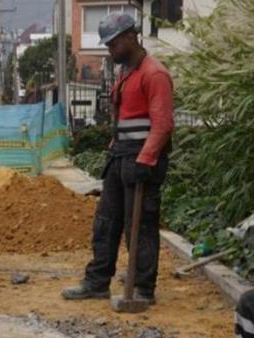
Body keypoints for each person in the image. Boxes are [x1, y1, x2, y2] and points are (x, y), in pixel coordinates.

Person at [62, 12, 174, 305]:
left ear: (129, 37)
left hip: (141, 161)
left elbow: (162, 125)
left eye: (112, 44)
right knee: (107, 221)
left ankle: (142, 288)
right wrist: (114, 145)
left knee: (142, 225)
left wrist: (145, 160)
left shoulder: (154, 74)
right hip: (121, 156)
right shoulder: (126, 72)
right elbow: (124, 117)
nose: (109, 50)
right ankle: (97, 281)